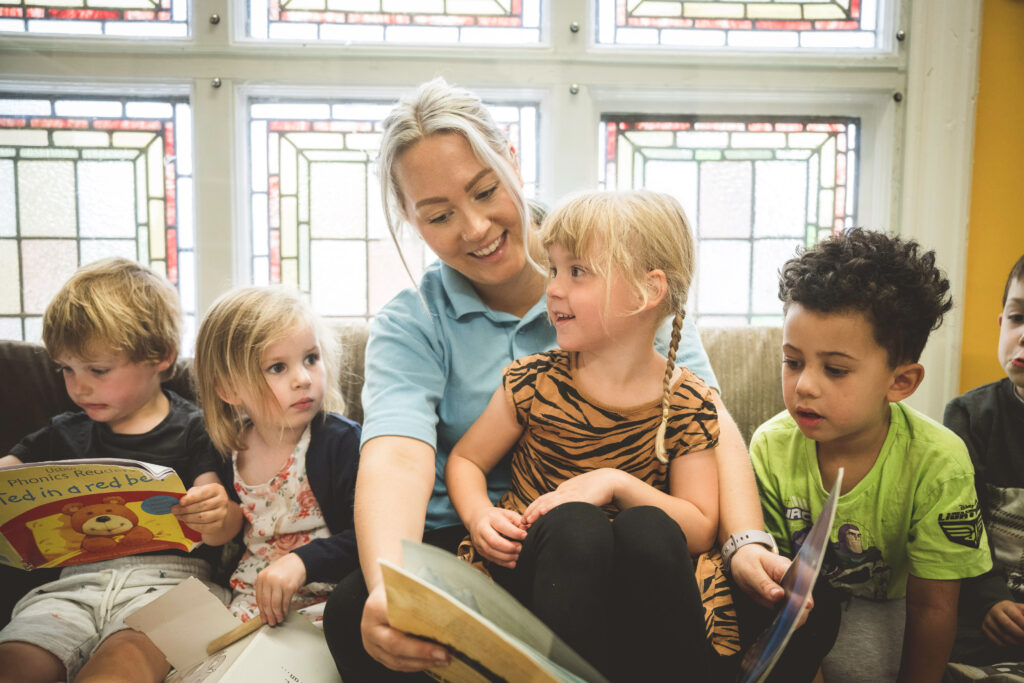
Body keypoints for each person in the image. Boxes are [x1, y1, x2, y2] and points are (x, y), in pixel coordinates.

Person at [322, 77, 790, 680]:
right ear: (414, 224)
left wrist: (745, 540)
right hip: (492, 544)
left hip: (631, 545)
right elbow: (396, 458)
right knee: (354, 611)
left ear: (512, 160)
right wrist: (393, 582)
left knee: (793, 602)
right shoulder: (414, 320)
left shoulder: (621, 277)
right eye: (438, 216)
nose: (474, 228)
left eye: (486, 190)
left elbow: (707, 423)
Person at [445, 189, 720, 681]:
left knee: (649, 527)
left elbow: (700, 527)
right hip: (536, 575)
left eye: (577, 272)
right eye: (553, 269)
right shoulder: (532, 382)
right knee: (577, 525)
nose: (552, 289)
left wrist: (614, 481)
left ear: (646, 291)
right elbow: (466, 461)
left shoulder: (687, 401)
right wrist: (480, 515)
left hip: (633, 595)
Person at [750, 229, 994, 683]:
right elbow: (777, 603)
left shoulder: (939, 462)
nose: (804, 385)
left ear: (900, 382)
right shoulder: (769, 446)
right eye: (793, 361)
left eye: (835, 369)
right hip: (801, 641)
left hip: (898, 637)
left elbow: (934, 607)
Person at [0, 257, 239, 683]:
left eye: (98, 370)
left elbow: (222, 528)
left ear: (161, 357)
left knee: (120, 665)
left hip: (172, 586)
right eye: (66, 370)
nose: (78, 386)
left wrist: (217, 515)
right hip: (72, 585)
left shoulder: (196, 428)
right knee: (17, 661)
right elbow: (8, 475)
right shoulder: (63, 432)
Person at [192, 286, 361, 626]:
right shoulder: (226, 449)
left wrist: (302, 561)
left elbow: (373, 536)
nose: (303, 379)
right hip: (253, 604)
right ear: (229, 389)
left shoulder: (341, 442)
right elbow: (215, 538)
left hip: (333, 602)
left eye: (311, 359)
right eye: (277, 367)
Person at [944, 254, 1024, 682]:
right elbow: (957, 529)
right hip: (984, 620)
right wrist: (989, 599)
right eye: (1017, 317)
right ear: (1001, 324)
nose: (1023, 336)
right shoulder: (969, 417)